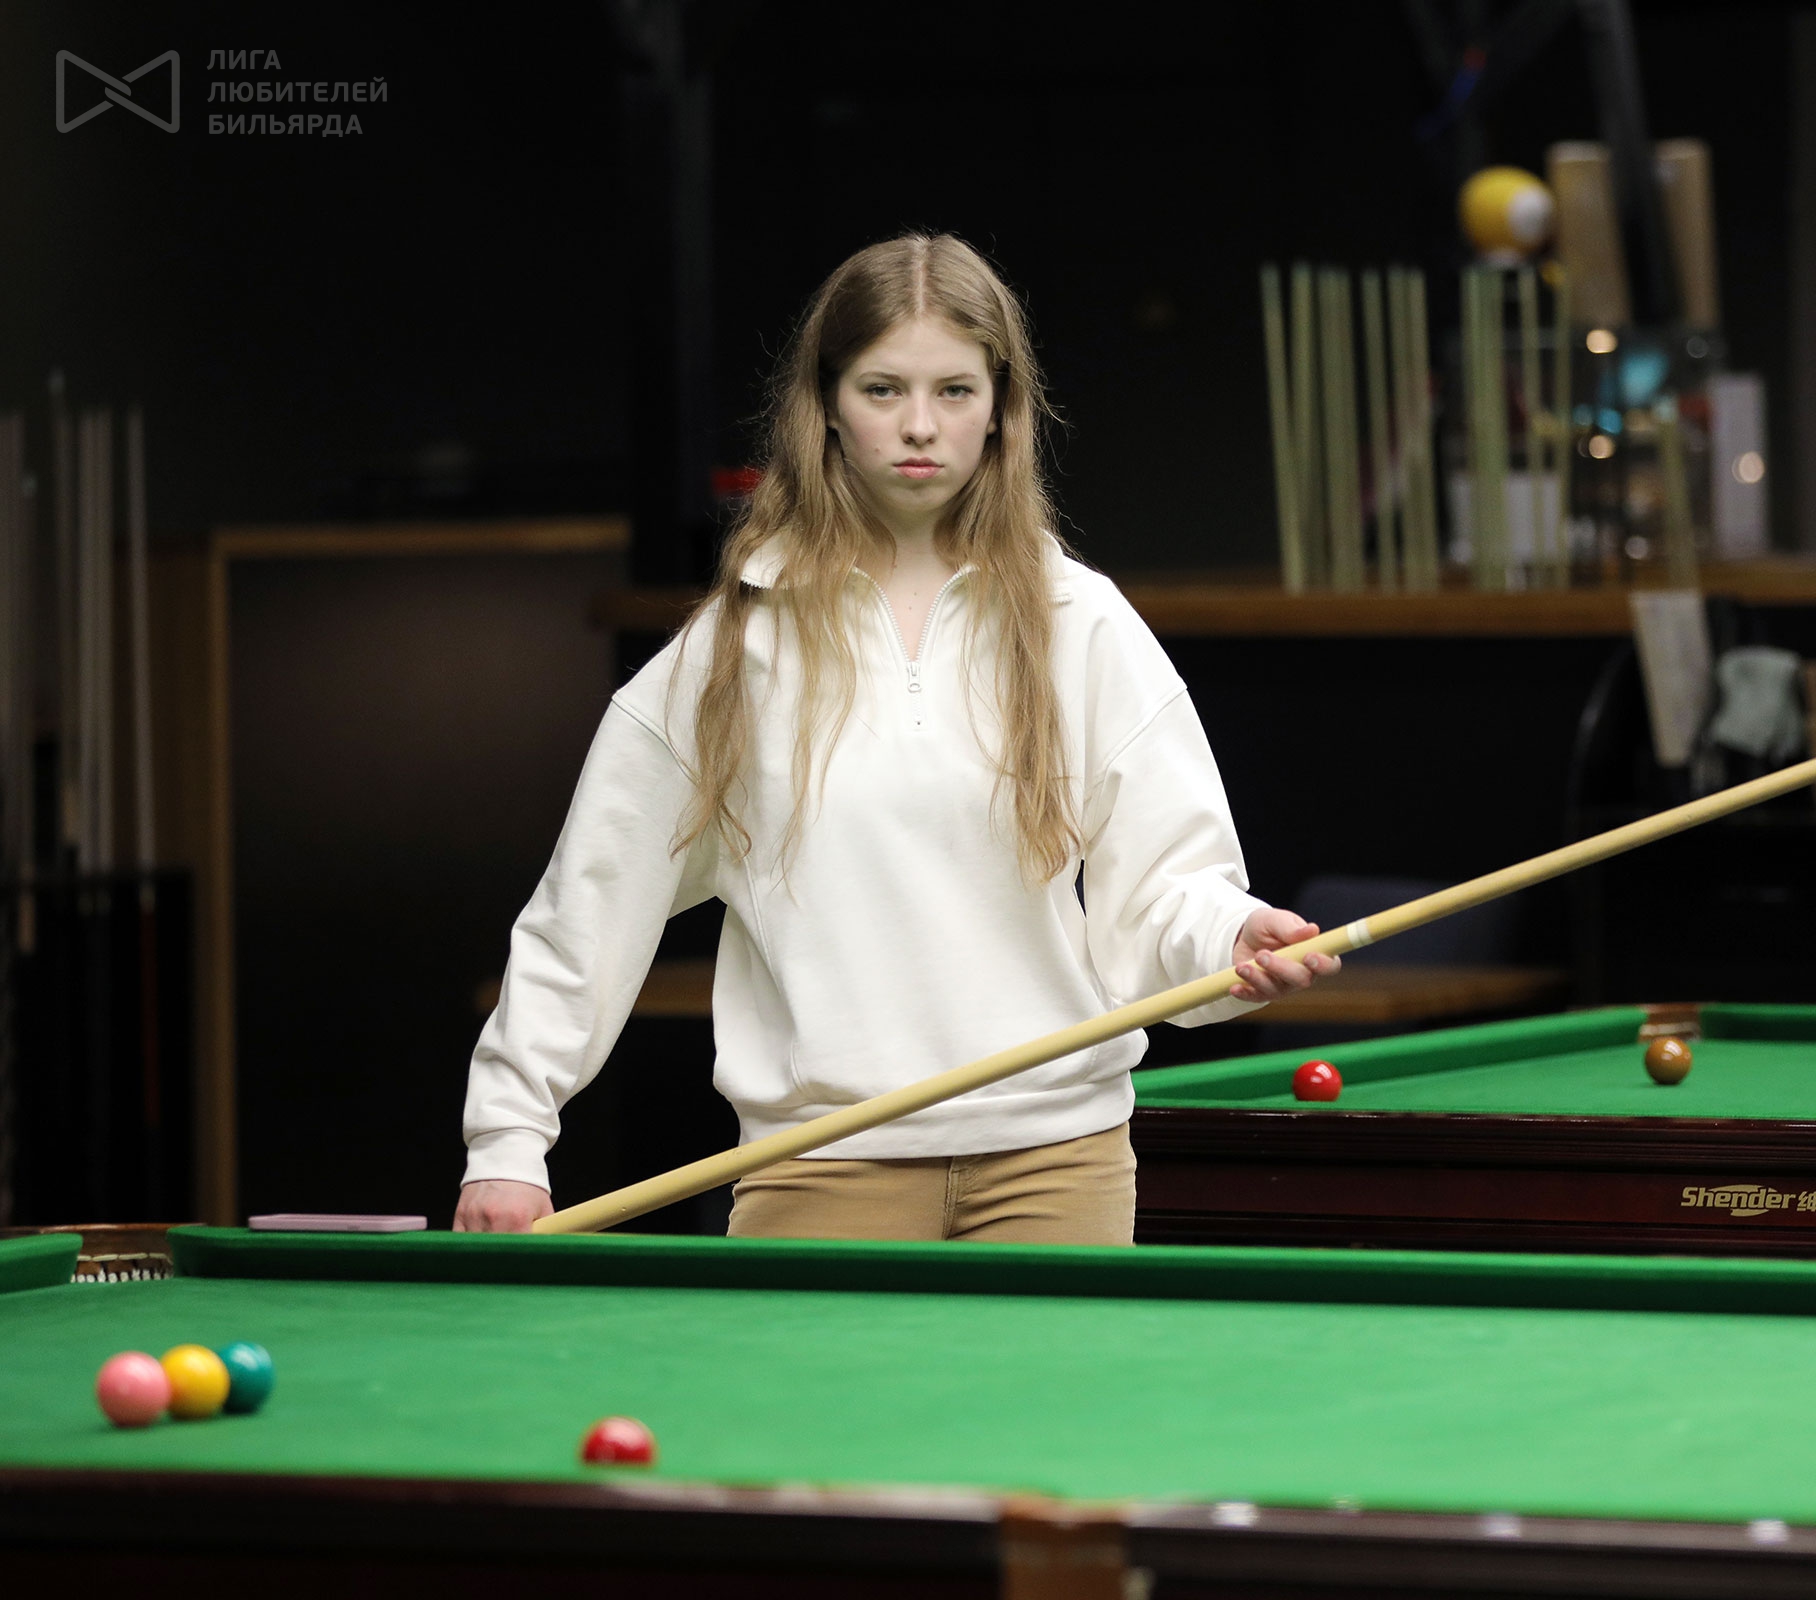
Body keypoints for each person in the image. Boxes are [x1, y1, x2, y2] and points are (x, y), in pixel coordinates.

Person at [454, 233, 1336, 1243]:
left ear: (1001, 408)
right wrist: (508, 1140)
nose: (920, 424)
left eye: (955, 390)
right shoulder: (736, 649)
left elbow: (1164, 891)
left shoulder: (1080, 621)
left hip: (1058, 1166)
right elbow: (589, 910)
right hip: (821, 1168)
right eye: (883, 389)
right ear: (827, 404)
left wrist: (1227, 937)